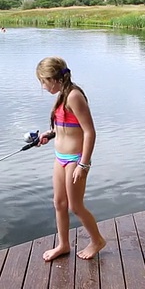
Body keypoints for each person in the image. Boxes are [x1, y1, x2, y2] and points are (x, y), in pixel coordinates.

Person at [35, 56, 106, 261]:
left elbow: (90, 132)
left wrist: (83, 164)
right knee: (59, 203)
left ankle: (97, 240)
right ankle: (63, 245)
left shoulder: (74, 95)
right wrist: (49, 134)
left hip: (76, 159)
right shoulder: (61, 96)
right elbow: (64, 128)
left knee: (75, 206)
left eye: (43, 81)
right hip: (60, 158)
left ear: (54, 78)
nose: (42, 85)